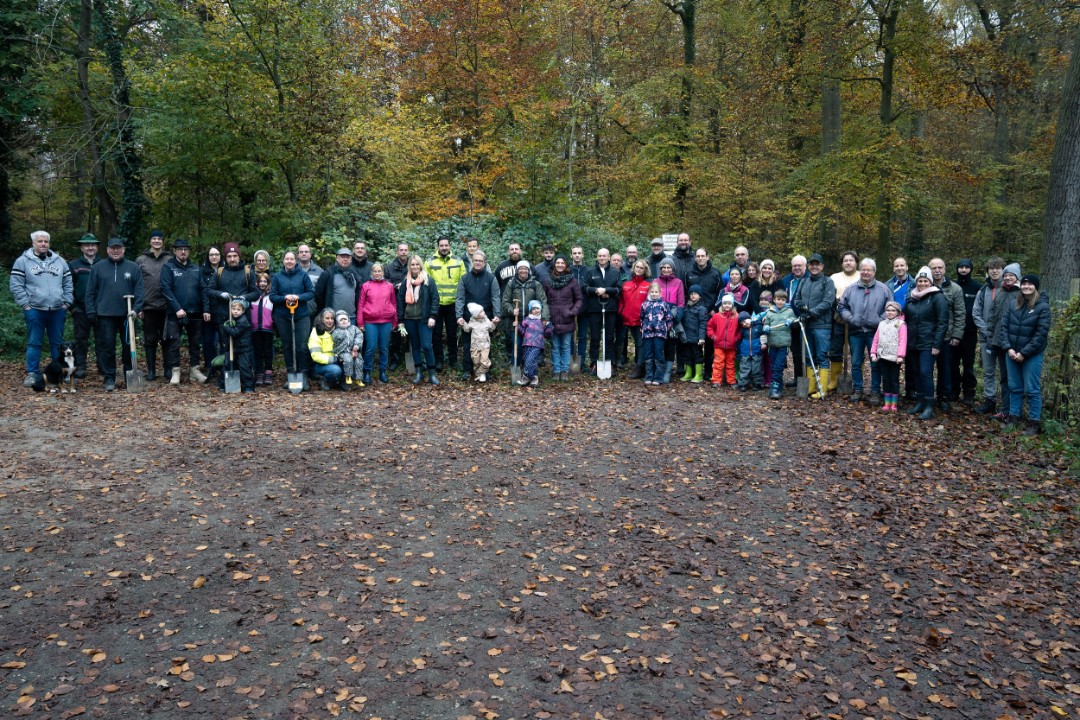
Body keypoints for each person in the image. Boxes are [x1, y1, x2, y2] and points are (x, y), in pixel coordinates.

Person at [10, 230, 73, 387]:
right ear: (33, 243)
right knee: (34, 343)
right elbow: (16, 285)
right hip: (35, 309)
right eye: (40, 241)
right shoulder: (22, 261)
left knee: (58, 344)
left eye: (46, 241)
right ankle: (32, 373)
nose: (43, 244)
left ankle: (59, 373)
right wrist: (26, 305)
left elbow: (68, 283)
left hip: (58, 309)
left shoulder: (60, 261)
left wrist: (66, 303)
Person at [84, 238, 143, 391]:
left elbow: (140, 292)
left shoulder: (133, 267)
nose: (115, 251)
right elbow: (90, 292)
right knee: (107, 347)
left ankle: (128, 375)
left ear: (123, 249)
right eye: (112, 248)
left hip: (127, 316)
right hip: (105, 315)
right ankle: (109, 377)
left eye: (118, 248)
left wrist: (136, 309)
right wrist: (91, 311)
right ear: (108, 249)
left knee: (128, 347)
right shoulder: (98, 268)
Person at [999, 274, 1051, 435]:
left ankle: (1034, 423)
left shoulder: (1042, 307)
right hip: (1012, 353)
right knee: (1014, 387)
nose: (1026, 286)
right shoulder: (1014, 303)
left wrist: (1024, 352)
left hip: (1031, 355)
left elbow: (1041, 334)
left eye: (1029, 284)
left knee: (1032, 389)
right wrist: (1008, 348)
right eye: (1024, 284)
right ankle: (1014, 417)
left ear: (1035, 287)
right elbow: (1004, 328)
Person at [837, 258, 890, 403]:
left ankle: (874, 391)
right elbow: (842, 306)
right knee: (855, 362)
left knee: (875, 363)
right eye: (864, 269)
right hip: (856, 332)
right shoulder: (851, 289)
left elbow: (891, 307)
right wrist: (850, 318)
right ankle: (858, 389)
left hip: (875, 332)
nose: (866, 272)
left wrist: (879, 320)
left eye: (869, 270)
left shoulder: (883, 289)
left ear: (874, 272)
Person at [160, 238, 208, 385]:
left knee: (195, 343)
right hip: (175, 313)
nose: (183, 252)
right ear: (174, 251)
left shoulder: (196, 268)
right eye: (180, 249)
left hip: (196, 312)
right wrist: (177, 308)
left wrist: (206, 309)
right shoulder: (168, 268)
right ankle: (175, 371)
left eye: (186, 249)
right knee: (173, 342)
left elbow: (203, 290)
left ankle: (195, 370)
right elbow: (165, 289)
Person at [903, 266, 948, 420]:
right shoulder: (912, 298)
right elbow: (905, 319)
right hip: (912, 342)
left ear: (930, 282)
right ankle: (920, 402)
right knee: (915, 373)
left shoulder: (937, 297)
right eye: (920, 281)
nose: (922, 283)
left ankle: (929, 405)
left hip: (928, 343)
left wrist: (937, 344)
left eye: (925, 281)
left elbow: (942, 322)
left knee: (925, 373)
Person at [206, 243, 259, 360]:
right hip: (224, 316)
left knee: (244, 348)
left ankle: (245, 374)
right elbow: (209, 290)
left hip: (243, 319)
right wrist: (221, 294)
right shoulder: (219, 272)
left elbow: (256, 293)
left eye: (235, 255)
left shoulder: (248, 272)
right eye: (229, 256)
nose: (232, 259)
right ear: (225, 258)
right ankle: (227, 373)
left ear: (239, 256)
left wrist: (244, 297)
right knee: (226, 347)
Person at [792, 253, 835, 399]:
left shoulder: (827, 281)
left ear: (822, 266)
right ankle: (811, 386)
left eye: (817, 264)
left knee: (822, 356)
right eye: (812, 264)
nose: (814, 266)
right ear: (808, 266)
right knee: (808, 356)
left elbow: (828, 302)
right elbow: (796, 298)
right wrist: (801, 306)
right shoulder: (803, 282)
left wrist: (811, 312)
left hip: (822, 325)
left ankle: (822, 389)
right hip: (806, 325)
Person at [270, 250, 315, 387]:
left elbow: (311, 293)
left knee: (301, 346)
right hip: (283, 316)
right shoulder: (277, 277)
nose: (289, 261)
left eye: (291, 259)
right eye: (287, 259)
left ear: (295, 261)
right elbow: (272, 296)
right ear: (283, 261)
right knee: (288, 345)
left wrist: (298, 297)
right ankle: (291, 374)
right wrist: (284, 298)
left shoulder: (302, 275)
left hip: (301, 315)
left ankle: (303, 375)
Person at [972, 257, 1010, 415]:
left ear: (1003, 271)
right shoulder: (983, 290)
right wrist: (987, 330)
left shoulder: (1011, 290)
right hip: (986, 338)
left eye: (998, 268)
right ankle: (990, 400)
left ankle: (1007, 406)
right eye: (991, 269)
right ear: (987, 271)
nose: (994, 271)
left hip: (1005, 339)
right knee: (988, 371)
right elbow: (976, 313)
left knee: (1006, 373)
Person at [455, 250, 501, 381]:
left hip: (487, 318)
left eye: (481, 261)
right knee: (468, 346)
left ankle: (485, 371)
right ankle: (467, 370)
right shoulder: (464, 279)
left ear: (485, 262)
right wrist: (459, 316)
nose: (478, 263)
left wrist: (497, 314)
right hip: (468, 319)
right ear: (472, 261)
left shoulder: (491, 278)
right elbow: (459, 298)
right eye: (476, 260)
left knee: (486, 346)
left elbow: (496, 297)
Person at [928, 257, 965, 412]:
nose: (937, 270)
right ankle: (926, 397)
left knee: (946, 369)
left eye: (940, 267)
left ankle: (944, 398)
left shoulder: (955, 288)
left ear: (944, 269)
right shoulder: (923, 286)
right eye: (934, 268)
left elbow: (960, 313)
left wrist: (957, 335)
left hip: (947, 336)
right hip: (928, 336)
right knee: (926, 369)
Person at [398, 254, 440, 385]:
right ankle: (419, 372)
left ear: (420, 265)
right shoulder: (406, 282)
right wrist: (400, 321)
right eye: (412, 264)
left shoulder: (428, 280)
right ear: (409, 266)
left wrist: (433, 316)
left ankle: (432, 374)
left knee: (427, 346)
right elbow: (400, 301)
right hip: (410, 319)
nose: (415, 266)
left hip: (425, 319)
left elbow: (435, 299)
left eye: (417, 264)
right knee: (415, 346)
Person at [135, 230, 171, 380]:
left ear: (163, 241)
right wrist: (139, 307)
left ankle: (168, 370)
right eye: (154, 238)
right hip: (148, 306)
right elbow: (136, 283)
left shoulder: (169, 259)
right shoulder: (141, 260)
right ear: (150, 241)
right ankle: (151, 371)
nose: (157, 241)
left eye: (159, 238)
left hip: (166, 305)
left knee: (166, 339)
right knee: (150, 340)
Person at [425, 237, 466, 371]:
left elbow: (463, 282)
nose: (444, 248)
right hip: (436, 304)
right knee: (436, 334)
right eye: (441, 245)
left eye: (446, 245)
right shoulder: (429, 262)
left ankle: (453, 360)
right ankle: (439, 360)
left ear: (449, 246)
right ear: (437, 246)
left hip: (452, 304)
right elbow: (425, 283)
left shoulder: (458, 261)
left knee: (452, 333)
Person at [501, 260, 549, 370]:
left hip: (532, 324)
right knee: (516, 346)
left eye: (525, 268)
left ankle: (529, 370)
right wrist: (511, 310)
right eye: (521, 268)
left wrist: (545, 317)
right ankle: (516, 368)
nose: (523, 270)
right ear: (517, 270)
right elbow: (505, 301)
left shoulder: (535, 284)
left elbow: (543, 301)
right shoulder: (511, 283)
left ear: (528, 270)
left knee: (531, 347)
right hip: (516, 322)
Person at [542, 255, 582, 381]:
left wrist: (573, 311)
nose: (559, 265)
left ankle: (564, 371)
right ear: (554, 265)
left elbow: (579, 299)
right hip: (553, 319)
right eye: (557, 263)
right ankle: (556, 370)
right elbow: (544, 300)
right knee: (555, 347)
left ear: (566, 265)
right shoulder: (547, 281)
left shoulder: (572, 281)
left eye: (562, 263)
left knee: (565, 346)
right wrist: (545, 316)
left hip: (567, 319)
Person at [583, 249, 621, 373]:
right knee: (594, 337)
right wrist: (596, 290)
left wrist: (606, 291)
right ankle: (594, 362)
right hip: (594, 308)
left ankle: (610, 362)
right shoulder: (590, 271)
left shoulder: (615, 272)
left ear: (609, 257)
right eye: (600, 255)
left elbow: (619, 289)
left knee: (609, 336)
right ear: (597, 257)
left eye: (604, 255)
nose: (602, 257)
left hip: (610, 308)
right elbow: (584, 287)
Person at [357, 262, 397, 383]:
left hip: (386, 321)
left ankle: (382, 372)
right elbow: (361, 305)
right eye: (375, 271)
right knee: (370, 348)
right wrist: (361, 323)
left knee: (384, 348)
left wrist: (395, 322)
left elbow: (394, 304)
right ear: (371, 273)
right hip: (370, 322)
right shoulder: (366, 286)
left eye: (379, 271)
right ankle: (367, 372)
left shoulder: (389, 286)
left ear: (383, 272)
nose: (377, 273)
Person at [68, 233, 100, 379]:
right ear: (81, 248)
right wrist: (72, 307)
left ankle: (103, 365)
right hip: (80, 309)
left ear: (97, 247)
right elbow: (67, 287)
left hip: (100, 309)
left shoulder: (104, 264)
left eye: (93, 245)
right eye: (87, 245)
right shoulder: (73, 265)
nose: (90, 247)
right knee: (81, 339)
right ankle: (80, 366)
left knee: (103, 339)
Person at [828, 250, 860, 392]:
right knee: (835, 350)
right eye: (845, 260)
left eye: (851, 260)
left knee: (856, 352)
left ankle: (855, 381)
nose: (848, 263)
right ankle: (835, 380)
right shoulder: (834, 277)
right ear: (842, 263)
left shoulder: (862, 276)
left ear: (856, 262)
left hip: (857, 319)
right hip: (838, 319)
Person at [952, 259, 982, 407]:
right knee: (953, 364)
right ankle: (954, 391)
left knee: (968, 365)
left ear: (971, 269)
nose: (963, 270)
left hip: (970, 332)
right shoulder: (952, 285)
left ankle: (969, 392)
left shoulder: (977, 287)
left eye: (966, 267)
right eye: (961, 267)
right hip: (953, 332)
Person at [871, 301, 907, 412]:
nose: (890, 312)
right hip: (883, 356)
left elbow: (903, 340)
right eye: (888, 310)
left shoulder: (901, 324)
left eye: (893, 310)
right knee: (885, 379)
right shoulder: (881, 324)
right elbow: (876, 339)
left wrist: (900, 355)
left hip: (895, 358)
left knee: (894, 379)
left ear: (898, 312)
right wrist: (873, 353)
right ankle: (887, 402)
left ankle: (894, 403)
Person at [761, 289, 795, 400]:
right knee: (773, 366)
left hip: (783, 344)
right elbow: (766, 324)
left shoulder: (789, 311)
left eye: (783, 300)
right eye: (778, 299)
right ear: (774, 300)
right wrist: (765, 327)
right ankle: (778, 385)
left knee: (779, 367)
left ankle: (775, 388)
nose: (780, 302)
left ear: (785, 301)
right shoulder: (770, 312)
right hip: (772, 344)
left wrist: (790, 320)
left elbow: (794, 319)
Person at [620, 260, 651, 379]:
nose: (638, 269)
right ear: (634, 268)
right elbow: (622, 300)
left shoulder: (648, 285)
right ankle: (640, 366)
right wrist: (621, 311)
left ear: (645, 270)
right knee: (638, 344)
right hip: (629, 318)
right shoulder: (627, 284)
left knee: (641, 344)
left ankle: (640, 367)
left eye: (641, 268)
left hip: (642, 320)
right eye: (637, 267)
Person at [655, 258, 685, 382]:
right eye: (664, 267)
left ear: (672, 269)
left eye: (669, 267)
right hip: (658, 318)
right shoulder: (656, 281)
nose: (666, 270)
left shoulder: (678, 282)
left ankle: (667, 372)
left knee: (670, 346)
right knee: (659, 345)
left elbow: (681, 301)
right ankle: (659, 371)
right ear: (660, 269)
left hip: (673, 317)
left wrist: (677, 316)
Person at [639, 282, 674, 386]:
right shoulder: (645, 304)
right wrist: (643, 328)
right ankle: (649, 376)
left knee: (659, 354)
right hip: (647, 333)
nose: (654, 294)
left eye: (656, 292)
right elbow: (641, 317)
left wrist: (665, 329)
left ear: (659, 293)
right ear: (649, 292)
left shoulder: (664, 304)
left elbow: (669, 319)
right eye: (652, 292)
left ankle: (658, 377)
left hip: (660, 334)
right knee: (648, 354)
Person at [314, 248, 361, 323]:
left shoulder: (354, 274)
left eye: (348, 257)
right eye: (342, 257)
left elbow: (358, 294)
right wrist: (325, 311)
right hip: (333, 318)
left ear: (351, 259)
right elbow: (318, 293)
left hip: (351, 317)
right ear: (337, 258)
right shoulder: (328, 273)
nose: (345, 259)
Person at [385, 242, 411, 371]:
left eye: (405, 250)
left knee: (411, 333)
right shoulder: (389, 267)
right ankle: (394, 360)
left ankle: (411, 362)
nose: (403, 252)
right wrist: (396, 286)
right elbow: (385, 282)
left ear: (408, 251)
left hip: (410, 304)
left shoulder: (413, 265)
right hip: (394, 303)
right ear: (397, 252)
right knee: (395, 333)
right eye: (401, 250)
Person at [781, 255, 807, 384]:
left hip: (806, 321)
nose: (797, 268)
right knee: (795, 350)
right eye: (794, 266)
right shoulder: (786, 280)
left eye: (799, 266)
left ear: (805, 266)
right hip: (790, 321)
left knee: (806, 350)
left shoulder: (809, 279)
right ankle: (797, 378)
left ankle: (808, 378)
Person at [220, 299, 255, 393]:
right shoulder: (230, 320)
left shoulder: (243, 321)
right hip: (232, 348)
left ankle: (248, 386)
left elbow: (234, 332)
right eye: (233, 309)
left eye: (238, 309)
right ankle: (224, 384)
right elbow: (226, 335)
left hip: (243, 349)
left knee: (244, 367)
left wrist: (226, 327)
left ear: (243, 311)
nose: (235, 311)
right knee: (227, 366)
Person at [198, 247, 222, 379]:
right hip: (208, 311)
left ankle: (223, 366)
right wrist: (206, 309)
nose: (214, 257)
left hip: (223, 311)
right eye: (211, 255)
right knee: (208, 341)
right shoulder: (202, 272)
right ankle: (210, 366)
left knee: (224, 341)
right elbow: (204, 292)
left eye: (216, 254)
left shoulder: (225, 270)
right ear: (208, 257)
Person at [308, 308, 345, 390]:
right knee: (336, 370)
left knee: (349, 361)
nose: (330, 321)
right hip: (320, 364)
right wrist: (335, 360)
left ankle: (341, 381)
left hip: (337, 360)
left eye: (332, 318)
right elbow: (316, 356)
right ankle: (324, 380)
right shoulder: (316, 332)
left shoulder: (339, 330)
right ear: (321, 319)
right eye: (327, 318)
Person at [708, 294, 740, 387]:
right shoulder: (717, 316)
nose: (727, 305)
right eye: (725, 303)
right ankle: (716, 381)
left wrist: (736, 338)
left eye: (729, 303)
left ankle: (731, 381)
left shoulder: (736, 317)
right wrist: (713, 336)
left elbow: (740, 330)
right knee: (718, 363)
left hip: (731, 345)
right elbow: (710, 327)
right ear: (722, 305)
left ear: (732, 305)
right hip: (719, 344)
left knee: (730, 364)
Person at [517, 300, 551, 386]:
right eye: (534, 309)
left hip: (537, 344)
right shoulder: (526, 320)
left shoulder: (542, 321)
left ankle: (529, 377)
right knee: (528, 361)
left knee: (530, 360)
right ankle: (532, 379)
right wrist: (517, 326)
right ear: (530, 310)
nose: (536, 310)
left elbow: (548, 334)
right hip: (527, 344)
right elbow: (523, 332)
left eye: (538, 308)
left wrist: (549, 326)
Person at [249, 272, 274, 386]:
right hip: (255, 328)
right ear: (257, 283)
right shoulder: (253, 296)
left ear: (268, 283)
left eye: (265, 281)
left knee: (268, 351)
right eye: (261, 281)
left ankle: (268, 372)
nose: (262, 283)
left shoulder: (271, 296)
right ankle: (259, 373)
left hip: (267, 328)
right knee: (257, 351)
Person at [680, 285, 708, 384]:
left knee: (697, 355)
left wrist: (701, 337)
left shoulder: (702, 308)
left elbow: (703, 324)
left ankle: (698, 374)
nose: (693, 296)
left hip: (696, 338)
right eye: (691, 294)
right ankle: (688, 373)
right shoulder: (686, 307)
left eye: (695, 294)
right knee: (687, 355)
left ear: (699, 296)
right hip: (686, 336)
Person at [463, 303, 495, 382]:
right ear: (476, 315)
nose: (484, 312)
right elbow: (467, 329)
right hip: (475, 345)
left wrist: (494, 323)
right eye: (481, 311)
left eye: (483, 310)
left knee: (484, 360)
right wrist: (463, 322)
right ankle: (478, 374)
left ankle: (483, 374)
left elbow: (491, 329)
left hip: (485, 345)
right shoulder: (472, 322)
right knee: (475, 361)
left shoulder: (486, 320)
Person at [737, 304, 765, 391]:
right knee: (744, 368)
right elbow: (739, 340)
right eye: (742, 323)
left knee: (757, 368)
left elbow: (764, 335)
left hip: (756, 351)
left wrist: (764, 344)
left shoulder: (759, 326)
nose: (745, 324)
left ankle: (757, 384)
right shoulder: (742, 330)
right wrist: (739, 349)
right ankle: (743, 384)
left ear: (750, 318)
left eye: (745, 321)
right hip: (745, 352)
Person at [332, 311, 364, 386]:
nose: (343, 321)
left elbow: (359, 336)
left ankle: (358, 379)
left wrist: (356, 347)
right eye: (341, 320)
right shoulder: (336, 331)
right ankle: (348, 376)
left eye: (345, 319)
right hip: (343, 352)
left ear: (348, 320)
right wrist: (336, 353)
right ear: (337, 322)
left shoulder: (354, 328)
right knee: (348, 359)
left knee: (359, 360)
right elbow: (334, 343)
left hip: (354, 350)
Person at [570, 245, 589, 365]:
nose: (577, 255)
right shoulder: (568, 270)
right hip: (570, 309)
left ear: (582, 255)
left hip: (585, 308)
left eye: (579, 253)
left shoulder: (588, 270)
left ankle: (581, 363)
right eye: (575, 253)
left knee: (582, 336)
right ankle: (571, 361)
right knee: (571, 336)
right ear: (571, 255)